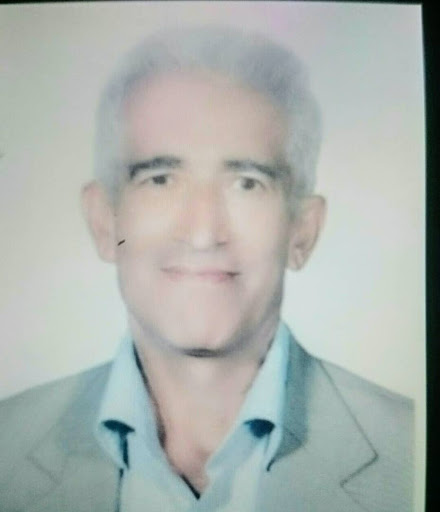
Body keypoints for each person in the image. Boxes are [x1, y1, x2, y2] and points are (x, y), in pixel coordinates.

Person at [0, 26, 413, 512]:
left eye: (247, 183)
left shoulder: (410, 450)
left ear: (302, 231)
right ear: (104, 222)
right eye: (160, 179)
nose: (202, 233)